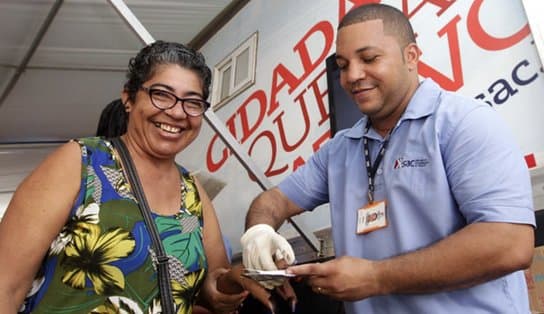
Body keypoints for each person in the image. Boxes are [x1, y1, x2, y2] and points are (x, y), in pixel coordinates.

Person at [240, 3, 535, 314]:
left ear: (411, 56)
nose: (352, 75)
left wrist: (376, 277)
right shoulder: (340, 149)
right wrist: (259, 233)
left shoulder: (462, 123)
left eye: (369, 59)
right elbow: (273, 201)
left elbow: (509, 244)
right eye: (343, 64)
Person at [0, 40, 275, 314]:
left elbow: (211, 292)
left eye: (192, 102)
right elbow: (6, 286)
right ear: (129, 99)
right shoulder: (80, 162)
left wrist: (236, 277)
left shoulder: (192, 192)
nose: (177, 112)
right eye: (162, 95)